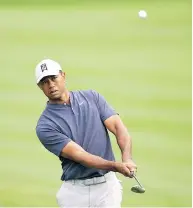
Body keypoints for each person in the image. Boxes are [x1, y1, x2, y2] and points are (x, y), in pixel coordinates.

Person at [35, 59, 137, 208]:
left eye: (53, 78)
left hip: (107, 188)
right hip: (75, 193)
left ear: (63, 75)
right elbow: (81, 156)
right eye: (44, 82)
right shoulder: (45, 126)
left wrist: (127, 158)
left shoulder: (92, 97)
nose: (50, 84)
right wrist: (117, 166)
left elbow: (117, 127)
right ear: (40, 87)